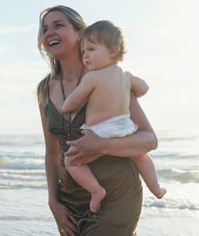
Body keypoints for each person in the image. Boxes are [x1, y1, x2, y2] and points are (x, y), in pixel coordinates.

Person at [37, 5, 158, 236]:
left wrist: (100, 145)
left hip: (117, 194)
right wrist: (54, 202)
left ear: (80, 33)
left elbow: (149, 140)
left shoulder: (109, 76)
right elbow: (52, 153)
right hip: (70, 201)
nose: (49, 33)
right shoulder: (44, 90)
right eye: (44, 29)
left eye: (58, 25)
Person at [61, 20, 166, 213]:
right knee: (141, 156)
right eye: (83, 51)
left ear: (112, 51)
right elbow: (144, 88)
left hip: (100, 131)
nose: (85, 56)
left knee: (71, 161)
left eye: (91, 50)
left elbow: (73, 102)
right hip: (124, 128)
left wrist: (65, 106)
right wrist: (128, 88)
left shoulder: (92, 77)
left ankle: (95, 190)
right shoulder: (125, 76)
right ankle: (155, 186)